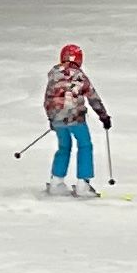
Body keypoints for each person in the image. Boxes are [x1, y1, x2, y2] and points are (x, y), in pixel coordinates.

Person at [40, 42, 111, 196]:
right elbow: (93, 97)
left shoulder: (53, 74)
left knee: (64, 147)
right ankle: (83, 184)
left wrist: (51, 118)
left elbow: (48, 98)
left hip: (57, 117)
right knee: (85, 145)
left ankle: (56, 181)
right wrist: (103, 116)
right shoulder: (79, 76)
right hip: (75, 118)